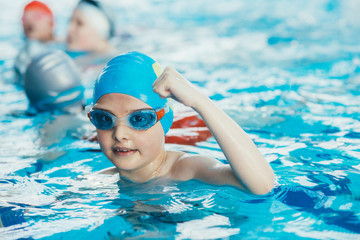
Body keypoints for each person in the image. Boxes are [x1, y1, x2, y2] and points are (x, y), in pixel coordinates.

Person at [88, 51, 274, 195]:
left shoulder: (189, 170)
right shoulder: (96, 183)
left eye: (139, 119)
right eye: (104, 118)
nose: (119, 133)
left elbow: (262, 185)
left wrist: (199, 101)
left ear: (165, 120)